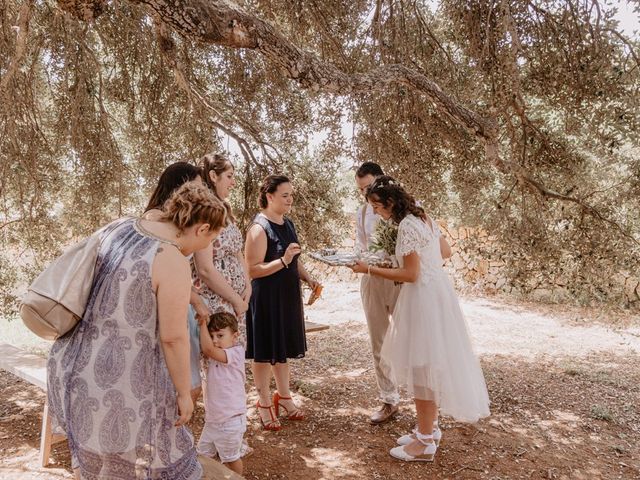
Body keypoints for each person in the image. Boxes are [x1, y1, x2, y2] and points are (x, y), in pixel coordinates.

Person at [47, 182, 228, 478]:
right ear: (202, 229)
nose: (207, 247)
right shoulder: (171, 260)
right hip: (121, 384)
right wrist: (184, 393)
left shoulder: (120, 227)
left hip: (71, 368)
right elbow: (173, 337)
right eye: (212, 239)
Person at [351, 176, 489, 462]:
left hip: (422, 300)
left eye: (377, 207)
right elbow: (445, 252)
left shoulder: (406, 226)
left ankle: (425, 443)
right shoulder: (423, 216)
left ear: (390, 202)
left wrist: (370, 270)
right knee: (428, 363)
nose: (376, 212)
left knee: (422, 368)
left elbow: (411, 275)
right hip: (438, 293)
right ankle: (430, 428)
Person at [244, 175, 320, 430]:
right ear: (269, 196)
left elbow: (294, 259)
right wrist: (283, 261)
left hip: (287, 297)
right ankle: (264, 401)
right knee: (265, 351)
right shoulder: (258, 228)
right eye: (285, 195)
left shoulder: (288, 223)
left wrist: (309, 279)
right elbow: (252, 270)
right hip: (266, 298)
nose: (290, 199)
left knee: (282, 349)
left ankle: (284, 396)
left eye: (291, 194)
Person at [143, 161, 210, 405]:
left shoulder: (182, 222)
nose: (201, 193)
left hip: (183, 304)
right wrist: (195, 298)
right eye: (196, 186)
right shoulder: (156, 219)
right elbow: (163, 270)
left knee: (191, 381)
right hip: (168, 307)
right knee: (178, 382)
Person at [354, 162, 402, 424]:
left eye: (368, 188)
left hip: (400, 280)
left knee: (411, 338)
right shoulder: (362, 213)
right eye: (361, 190)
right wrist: (359, 262)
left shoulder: (405, 209)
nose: (364, 195)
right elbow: (361, 246)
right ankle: (389, 400)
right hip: (371, 279)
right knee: (379, 342)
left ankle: (425, 401)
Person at [193, 153, 251, 345]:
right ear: (213, 176)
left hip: (236, 303)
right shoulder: (204, 211)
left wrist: (247, 284)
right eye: (229, 176)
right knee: (218, 360)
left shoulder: (225, 211)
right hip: (217, 301)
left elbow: (237, 253)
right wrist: (235, 299)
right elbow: (204, 269)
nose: (233, 182)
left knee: (234, 360)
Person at [197, 311, 247, 475]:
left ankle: (237, 478)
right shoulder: (218, 354)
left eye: (220, 335)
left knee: (231, 459)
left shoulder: (235, 353)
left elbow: (208, 349)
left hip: (229, 421)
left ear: (235, 335)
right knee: (202, 456)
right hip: (213, 420)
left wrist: (202, 323)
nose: (215, 340)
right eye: (212, 336)